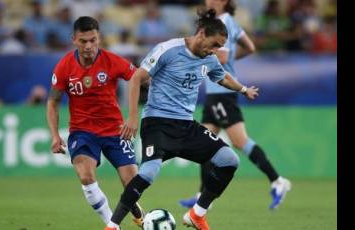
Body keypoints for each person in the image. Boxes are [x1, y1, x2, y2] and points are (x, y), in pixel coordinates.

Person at [105, 9, 259, 230]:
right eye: (215, 44)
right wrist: (131, 117)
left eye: (219, 47)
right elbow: (137, 78)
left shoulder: (210, 58)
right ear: (202, 33)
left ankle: (197, 214)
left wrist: (243, 89)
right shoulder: (168, 50)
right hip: (157, 122)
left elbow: (222, 76)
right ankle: (112, 225)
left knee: (229, 160)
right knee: (148, 173)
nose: (216, 50)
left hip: (186, 126)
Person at [179, 0, 291, 211]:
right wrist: (230, 61)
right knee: (206, 143)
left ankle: (278, 181)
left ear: (224, 2)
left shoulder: (224, 23)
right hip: (215, 94)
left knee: (240, 141)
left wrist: (195, 60)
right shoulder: (226, 22)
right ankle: (203, 195)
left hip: (223, 93)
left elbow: (221, 58)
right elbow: (250, 47)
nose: (209, 1)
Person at [46, 16, 144, 227]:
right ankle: (111, 223)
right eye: (83, 41)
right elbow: (53, 102)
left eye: (93, 40)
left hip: (115, 130)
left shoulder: (113, 61)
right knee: (86, 177)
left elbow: (139, 78)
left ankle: (133, 205)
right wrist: (54, 135)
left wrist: (133, 116)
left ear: (99, 38)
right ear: (74, 39)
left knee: (132, 185)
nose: (89, 46)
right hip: (83, 132)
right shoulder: (64, 66)